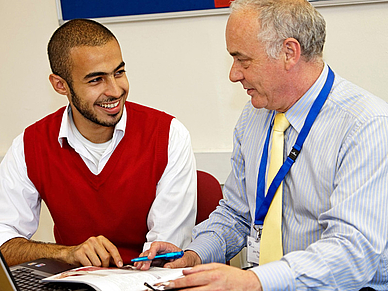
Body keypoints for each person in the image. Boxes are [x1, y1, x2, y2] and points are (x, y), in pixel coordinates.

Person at [137, 0, 388, 290]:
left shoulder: (366, 126)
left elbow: (352, 253)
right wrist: (193, 255)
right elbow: (236, 214)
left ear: (289, 53)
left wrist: (255, 281)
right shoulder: (253, 116)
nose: (234, 74)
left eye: (243, 60)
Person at [0, 19, 197, 268]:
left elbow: (163, 254)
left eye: (119, 72)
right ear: (61, 85)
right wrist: (65, 253)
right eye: (96, 80)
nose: (115, 90)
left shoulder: (169, 135)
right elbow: (4, 242)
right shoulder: (28, 146)